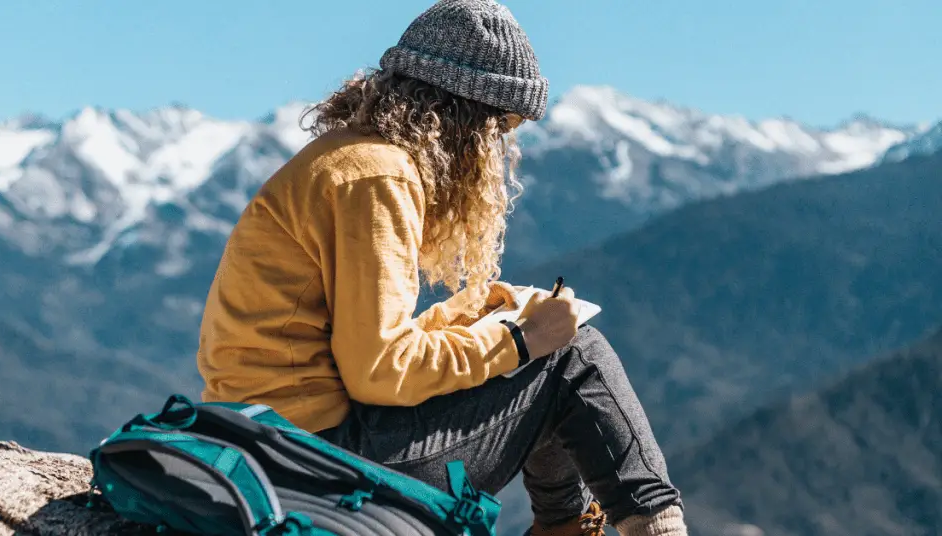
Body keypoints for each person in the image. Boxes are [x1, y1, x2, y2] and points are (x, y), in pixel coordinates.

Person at [196, 1, 688, 534]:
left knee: (549, 350)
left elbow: (348, 349)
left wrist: (463, 318)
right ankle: (648, 527)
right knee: (572, 355)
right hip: (316, 462)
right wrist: (520, 342)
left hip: (265, 442)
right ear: (464, 120)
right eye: (500, 127)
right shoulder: (379, 179)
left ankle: (565, 524)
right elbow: (379, 373)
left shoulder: (347, 160)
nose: (499, 148)